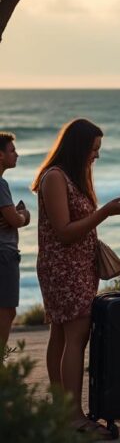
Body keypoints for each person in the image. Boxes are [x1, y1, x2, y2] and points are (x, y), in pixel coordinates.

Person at [31, 119, 120, 437]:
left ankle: (62, 410)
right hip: (63, 269)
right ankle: (74, 417)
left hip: (77, 267)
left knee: (62, 336)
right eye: (93, 149)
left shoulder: (73, 178)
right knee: (74, 337)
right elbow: (63, 233)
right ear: (77, 147)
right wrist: (104, 212)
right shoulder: (55, 178)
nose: (96, 156)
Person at [0, 132, 30, 348]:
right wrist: (24, 215)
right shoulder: (1, 184)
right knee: (7, 310)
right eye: (12, 151)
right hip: (4, 253)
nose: (17, 155)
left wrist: (15, 217)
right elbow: (15, 220)